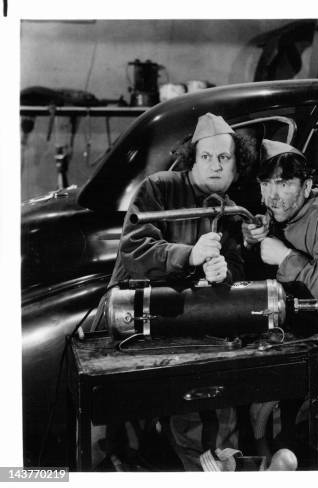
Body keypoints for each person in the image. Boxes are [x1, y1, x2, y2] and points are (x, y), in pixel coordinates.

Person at [100, 112, 257, 470]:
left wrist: (223, 272)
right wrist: (191, 254)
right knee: (125, 436)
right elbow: (135, 250)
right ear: (192, 158)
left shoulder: (228, 205)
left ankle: (219, 463)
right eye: (206, 157)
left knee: (213, 396)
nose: (215, 165)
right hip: (133, 315)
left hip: (189, 319)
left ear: (237, 163)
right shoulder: (160, 187)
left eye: (224, 157)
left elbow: (235, 267)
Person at [242, 139, 318, 461]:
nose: (272, 195)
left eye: (283, 183)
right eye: (265, 184)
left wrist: (286, 257)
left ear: (307, 185)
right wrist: (251, 239)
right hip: (300, 341)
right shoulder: (280, 215)